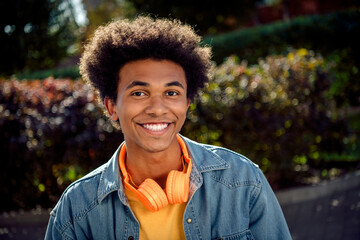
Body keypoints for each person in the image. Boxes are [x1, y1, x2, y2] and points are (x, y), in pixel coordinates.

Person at [45, 16, 291, 240]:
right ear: (111, 107)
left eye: (171, 92)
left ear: (186, 103)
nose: (157, 108)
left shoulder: (244, 181)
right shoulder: (75, 211)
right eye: (139, 93)